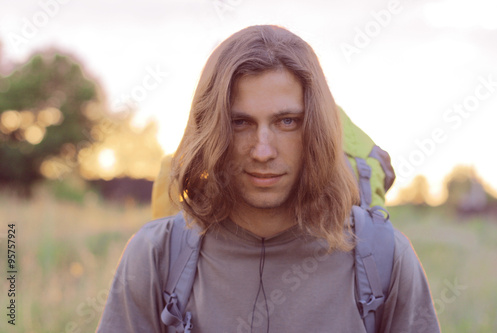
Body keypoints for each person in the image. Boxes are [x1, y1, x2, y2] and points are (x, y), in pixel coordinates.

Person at [97, 25, 440, 333]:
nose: (263, 151)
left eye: (287, 121)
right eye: (240, 123)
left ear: (317, 128)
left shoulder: (385, 258)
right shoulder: (155, 257)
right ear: (212, 129)